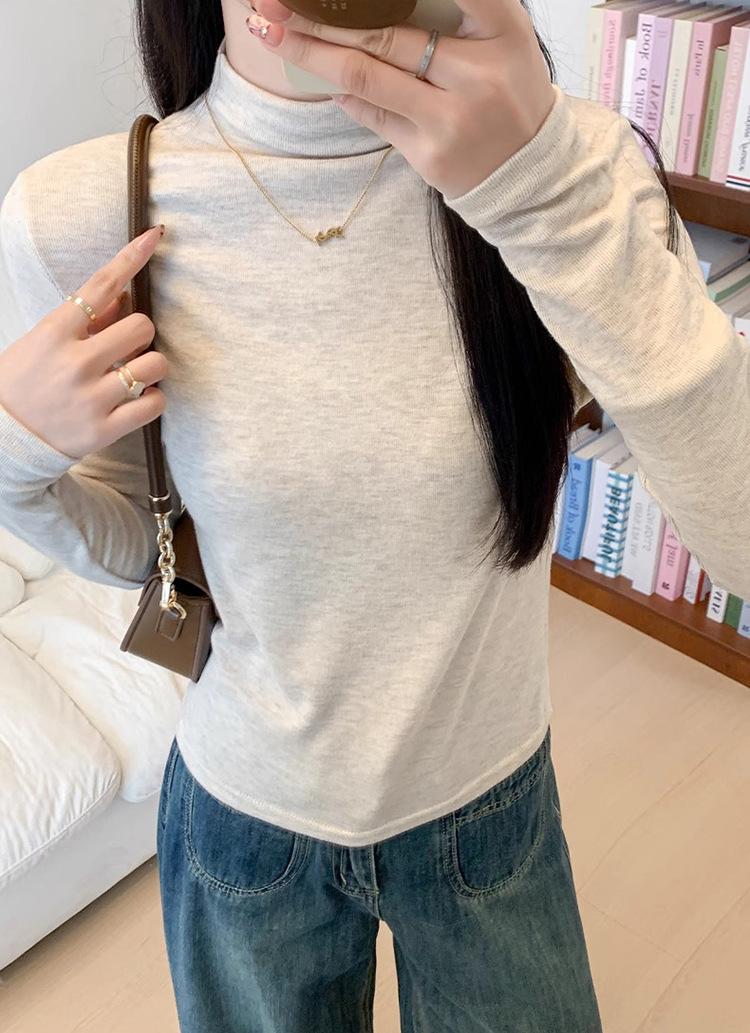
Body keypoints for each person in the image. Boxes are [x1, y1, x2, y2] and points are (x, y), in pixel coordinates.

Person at [0, 0, 748, 1029]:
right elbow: (154, 545)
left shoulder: (572, 166)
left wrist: (540, 190)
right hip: (245, 816)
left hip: (491, 803)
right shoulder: (80, 211)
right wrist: (13, 456)